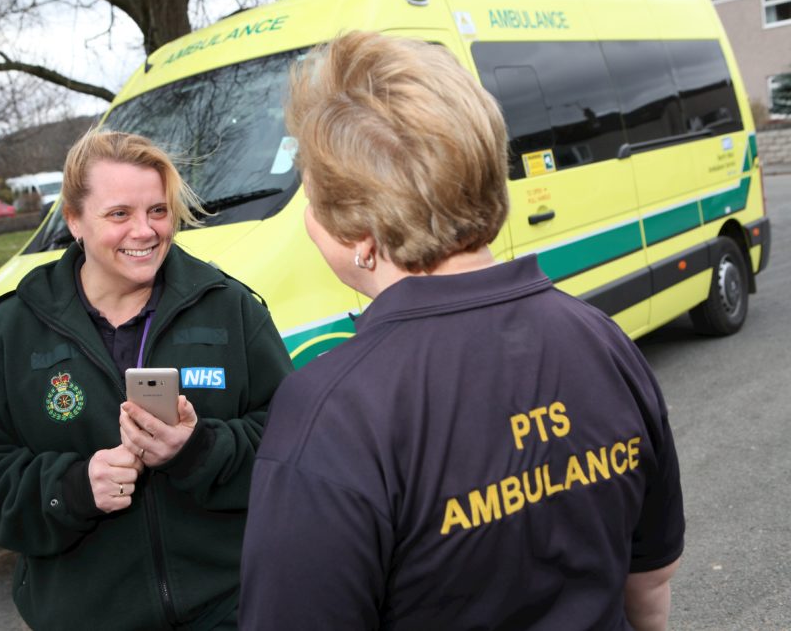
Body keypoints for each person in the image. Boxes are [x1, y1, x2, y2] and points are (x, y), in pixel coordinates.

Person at [239, 31, 684, 630]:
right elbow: (650, 579)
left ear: (361, 234)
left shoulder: (331, 413)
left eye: (312, 199)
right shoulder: (601, 339)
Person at [0, 130, 293, 631]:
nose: (145, 231)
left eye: (157, 210)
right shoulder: (5, 335)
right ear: (73, 221)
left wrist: (197, 450)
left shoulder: (230, 310)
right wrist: (73, 487)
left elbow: (294, 442)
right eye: (119, 214)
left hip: (232, 607)